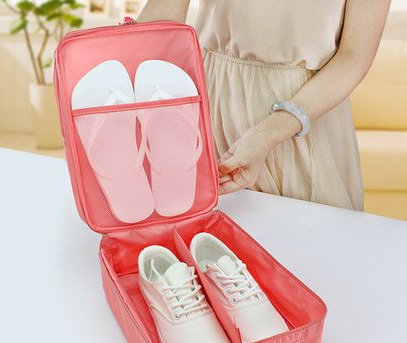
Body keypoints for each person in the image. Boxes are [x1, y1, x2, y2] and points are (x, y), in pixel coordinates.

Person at [137, 0, 391, 210]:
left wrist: (268, 134)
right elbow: (161, 19)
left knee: (308, 246)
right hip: (209, 103)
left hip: (302, 117)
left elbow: (354, 56)